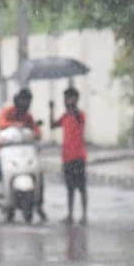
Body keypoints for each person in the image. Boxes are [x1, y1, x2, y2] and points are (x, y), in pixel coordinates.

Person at [0, 87, 45, 220]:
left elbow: (37, 132)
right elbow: (2, 123)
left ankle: (39, 204)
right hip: (4, 150)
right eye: (23, 100)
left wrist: (35, 133)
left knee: (40, 176)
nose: (25, 104)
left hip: (24, 153)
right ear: (17, 100)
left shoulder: (28, 117)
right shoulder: (8, 112)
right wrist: (15, 124)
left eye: (27, 101)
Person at [49, 86, 87, 224]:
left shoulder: (79, 115)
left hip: (78, 157)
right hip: (67, 157)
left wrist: (72, 108)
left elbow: (78, 117)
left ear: (76, 99)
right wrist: (51, 109)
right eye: (66, 98)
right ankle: (70, 215)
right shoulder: (65, 116)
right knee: (70, 187)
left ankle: (84, 215)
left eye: (70, 98)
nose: (67, 101)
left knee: (81, 187)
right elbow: (52, 125)